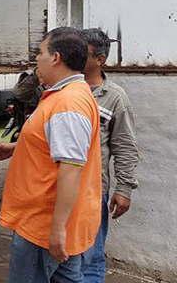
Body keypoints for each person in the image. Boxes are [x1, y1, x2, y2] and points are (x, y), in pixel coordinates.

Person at [0, 27, 101, 283]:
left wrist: (58, 230)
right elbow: (60, 147)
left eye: (40, 52)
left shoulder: (68, 104)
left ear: (56, 58)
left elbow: (71, 168)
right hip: (49, 223)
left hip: (43, 225)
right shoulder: (67, 97)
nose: (36, 59)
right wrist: (19, 148)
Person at [80, 28, 139, 282]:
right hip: (56, 187)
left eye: (81, 53)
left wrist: (124, 188)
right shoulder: (60, 87)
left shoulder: (114, 97)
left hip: (93, 190)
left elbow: (125, 146)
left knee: (91, 257)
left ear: (99, 60)